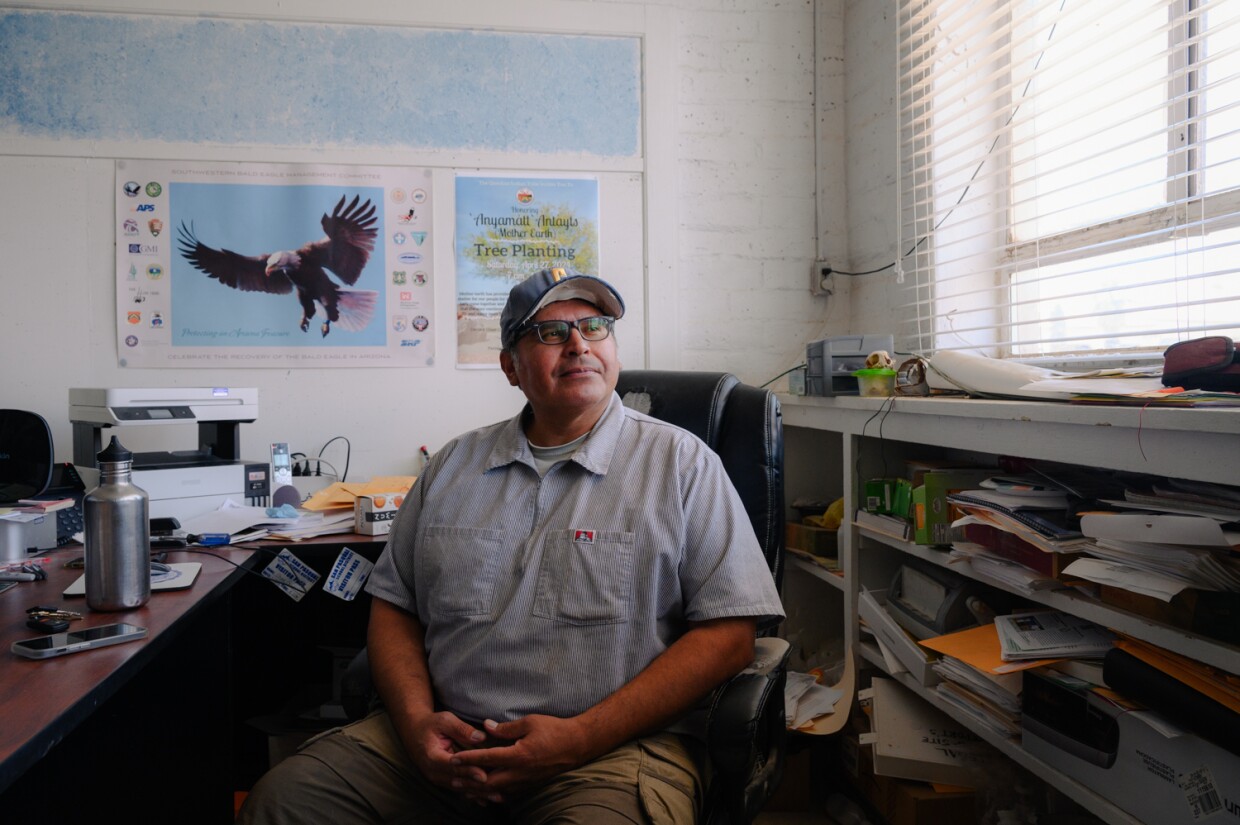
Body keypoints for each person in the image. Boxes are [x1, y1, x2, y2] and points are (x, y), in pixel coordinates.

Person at [238, 267, 784, 824]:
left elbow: (729, 636)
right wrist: (418, 725)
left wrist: (577, 739)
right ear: (510, 367)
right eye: (549, 333)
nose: (577, 345)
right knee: (282, 804)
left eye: (594, 327)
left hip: (610, 753)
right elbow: (395, 607)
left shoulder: (682, 465)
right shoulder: (452, 467)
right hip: (442, 741)